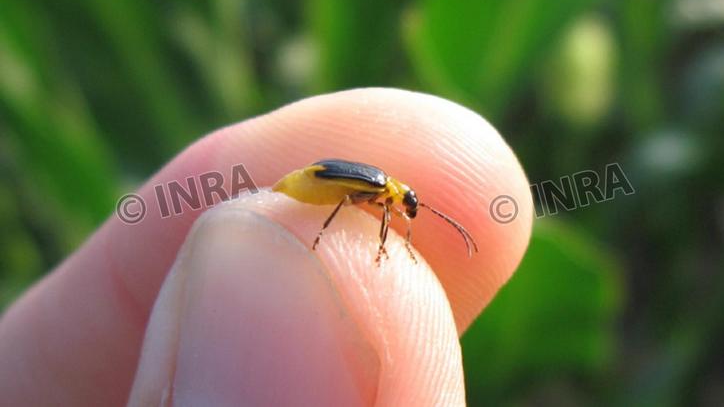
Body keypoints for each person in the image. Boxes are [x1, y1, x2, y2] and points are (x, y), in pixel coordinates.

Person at [0, 88, 533, 406]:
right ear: (400, 196)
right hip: (310, 185)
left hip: (309, 182)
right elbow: (335, 191)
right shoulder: (381, 190)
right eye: (408, 204)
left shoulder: (386, 195)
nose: (405, 210)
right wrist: (327, 236)